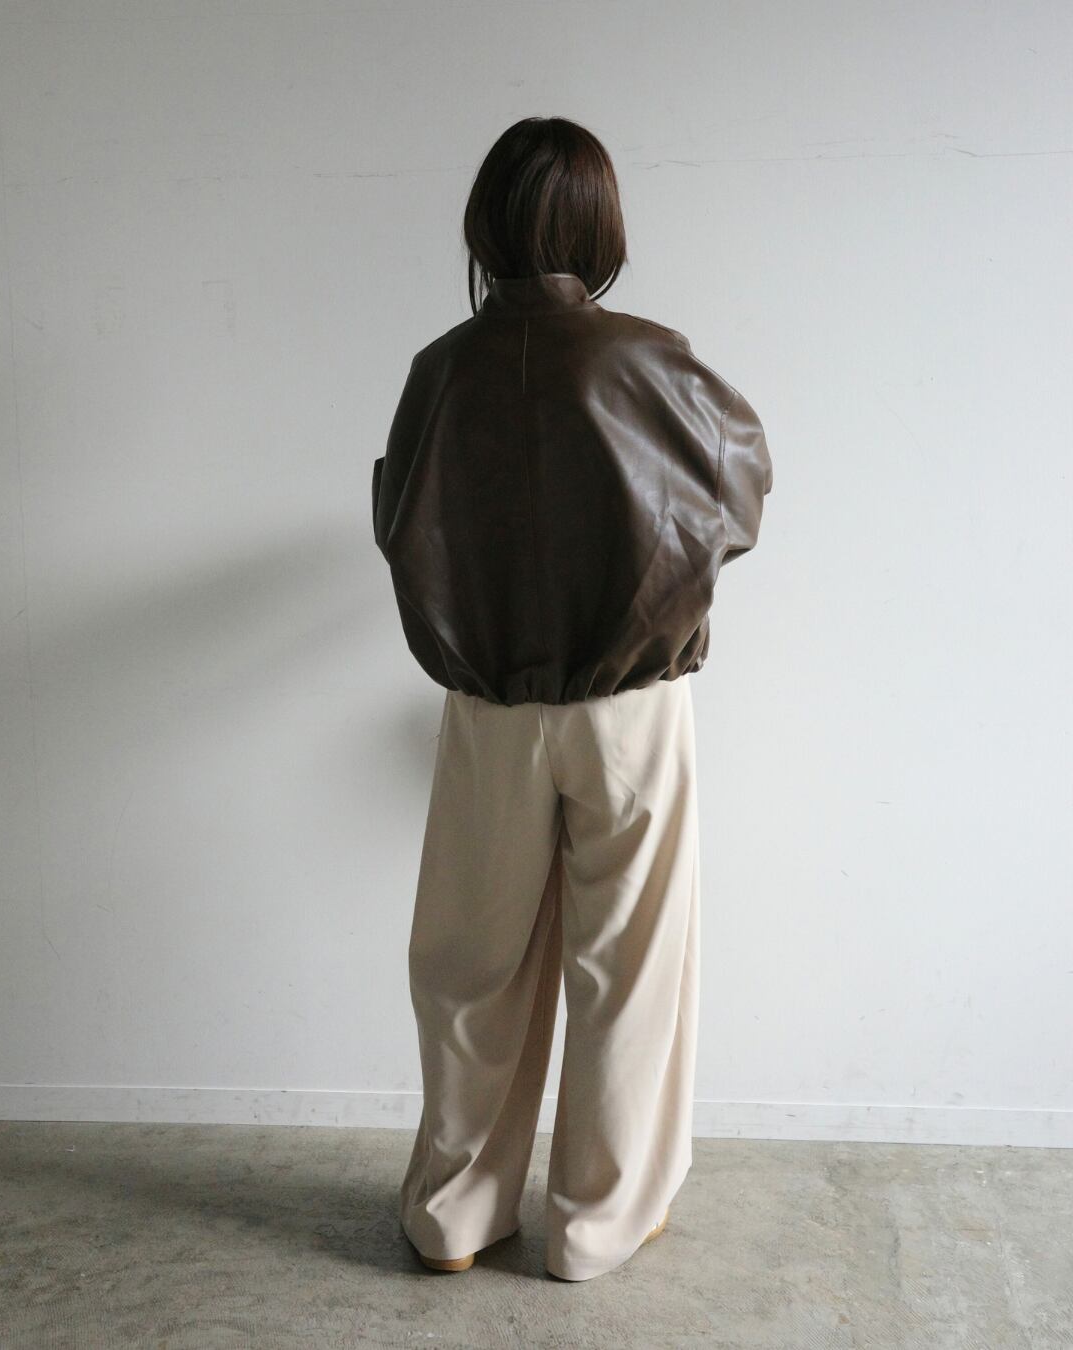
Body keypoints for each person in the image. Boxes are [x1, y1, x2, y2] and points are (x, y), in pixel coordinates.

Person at [372, 115, 773, 1282]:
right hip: (630, 707)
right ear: (600, 227)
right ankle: (597, 1222)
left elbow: (401, 524)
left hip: (487, 710)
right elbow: (741, 491)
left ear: (486, 225)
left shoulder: (440, 372)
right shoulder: (651, 358)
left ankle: (454, 1214)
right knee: (629, 968)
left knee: (470, 967)